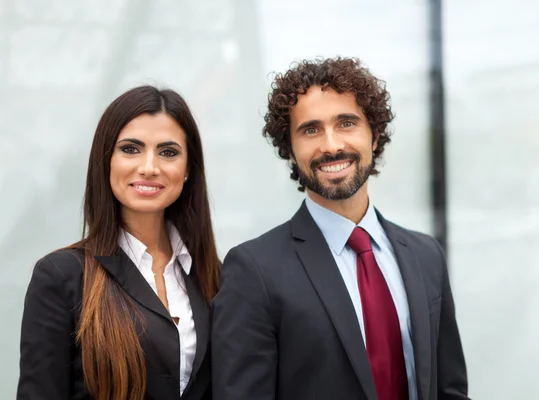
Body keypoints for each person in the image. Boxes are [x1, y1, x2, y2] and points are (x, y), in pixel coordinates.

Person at [211, 57, 470, 400]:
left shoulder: (426, 256)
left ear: (374, 137)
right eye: (311, 129)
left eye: (346, 123)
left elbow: (449, 389)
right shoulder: (254, 271)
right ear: (289, 149)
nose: (331, 145)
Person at [17, 85, 219, 400]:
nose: (150, 167)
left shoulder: (213, 277)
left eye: (168, 152)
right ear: (106, 160)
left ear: (188, 168)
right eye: (130, 149)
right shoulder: (62, 277)